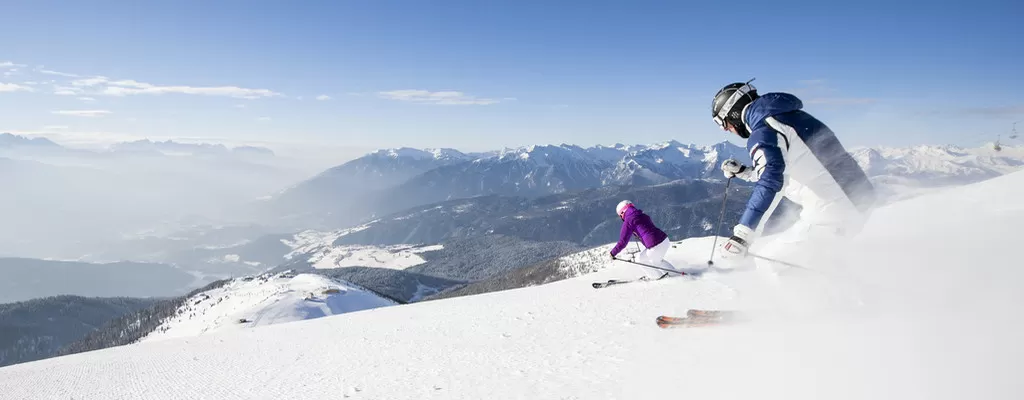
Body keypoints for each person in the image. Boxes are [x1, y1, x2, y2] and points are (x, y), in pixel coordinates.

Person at [710, 81, 876, 271]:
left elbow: (772, 181)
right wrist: (744, 172)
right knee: (818, 267)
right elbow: (786, 170)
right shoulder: (786, 117)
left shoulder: (765, 130)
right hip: (851, 201)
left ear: (733, 113)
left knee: (772, 265)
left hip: (835, 212)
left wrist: (743, 235)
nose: (725, 128)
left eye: (721, 121)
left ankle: (831, 300)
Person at [609, 200, 680, 280]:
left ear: (622, 213)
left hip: (655, 245)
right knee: (657, 261)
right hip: (664, 240)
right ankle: (676, 274)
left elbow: (623, 242)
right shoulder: (643, 215)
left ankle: (657, 277)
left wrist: (612, 253)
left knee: (640, 259)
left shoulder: (628, 221)